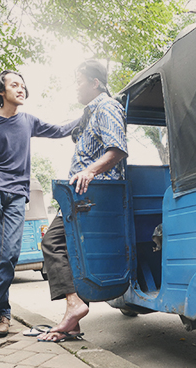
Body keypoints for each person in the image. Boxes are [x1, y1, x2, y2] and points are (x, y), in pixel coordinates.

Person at [0, 70, 79, 338]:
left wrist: (88, 115)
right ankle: (2, 315)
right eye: (14, 85)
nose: (21, 89)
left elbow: (60, 130)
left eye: (23, 85)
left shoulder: (28, 121)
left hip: (18, 194)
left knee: (9, 255)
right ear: (1, 91)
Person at [37, 60, 128, 342]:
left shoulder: (107, 107)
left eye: (79, 81)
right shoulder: (89, 114)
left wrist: (89, 171)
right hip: (81, 194)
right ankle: (73, 321)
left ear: (95, 83)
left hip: (94, 194)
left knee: (53, 242)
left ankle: (75, 305)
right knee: (73, 252)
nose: (75, 87)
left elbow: (117, 150)